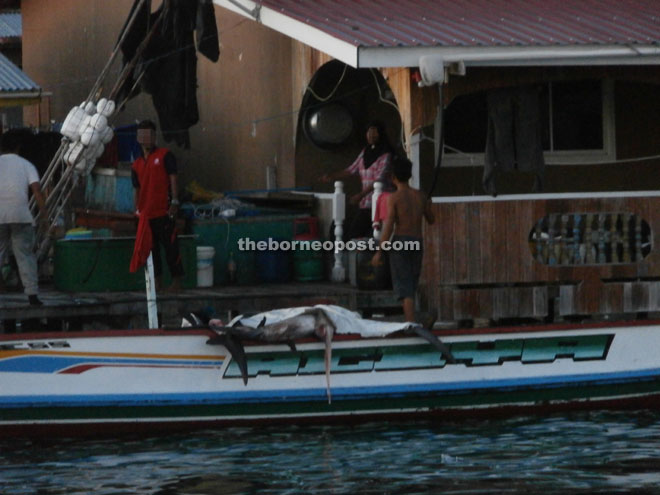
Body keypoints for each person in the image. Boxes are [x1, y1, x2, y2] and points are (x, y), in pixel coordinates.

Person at [372, 155, 435, 323]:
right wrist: (429, 205)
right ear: (409, 175)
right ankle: (412, 321)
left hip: (401, 242)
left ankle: (410, 324)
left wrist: (379, 251)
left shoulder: (393, 198)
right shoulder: (421, 196)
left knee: (405, 287)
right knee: (412, 284)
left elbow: (389, 226)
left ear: (393, 177)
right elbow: (431, 219)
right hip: (416, 242)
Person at [131, 119, 183, 291]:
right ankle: (157, 283)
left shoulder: (164, 155)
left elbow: (173, 178)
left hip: (164, 211)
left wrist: (175, 202)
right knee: (151, 252)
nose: (146, 139)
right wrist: (136, 210)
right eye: (143, 135)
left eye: (149, 135)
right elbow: (136, 188)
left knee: (171, 247)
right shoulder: (136, 164)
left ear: (154, 137)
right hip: (146, 215)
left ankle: (176, 282)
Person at [320, 121, 393, 240]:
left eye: (374, 132)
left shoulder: (386, 154)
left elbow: (379, 180)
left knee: (370, 235)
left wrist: (360, 195)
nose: (371, 135)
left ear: (381, 134)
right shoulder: (365, 152)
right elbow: (351, 169)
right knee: (352, 232)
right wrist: (332, 176)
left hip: (380, 204)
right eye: (369, 132)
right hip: (365, 203)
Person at [0, 129, 47, 305]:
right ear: (18, 148)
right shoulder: (27, 165)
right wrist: (45, 217)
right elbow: (37, 191)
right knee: (25, 255)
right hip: (21, 215)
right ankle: (32, 295)